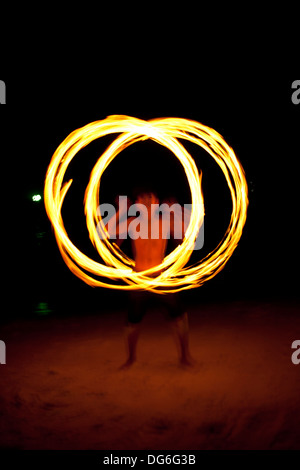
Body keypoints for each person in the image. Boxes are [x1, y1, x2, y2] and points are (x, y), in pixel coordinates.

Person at [105, 190, 195, 368]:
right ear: (137, 204)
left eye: (150, 198)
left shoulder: (165, 222)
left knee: (180, 317)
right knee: (132, 322)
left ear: (157, 202)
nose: (146, 202)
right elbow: (105, 232)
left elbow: (185, 237)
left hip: (160, 278)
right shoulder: (132, 223)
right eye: (142, 199)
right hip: (140, 278)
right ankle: (131, 359)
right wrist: (120, 211)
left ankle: (185, 356)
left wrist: (175, 211)